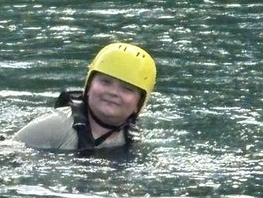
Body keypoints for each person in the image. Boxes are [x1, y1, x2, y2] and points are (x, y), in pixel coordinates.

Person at [11, 42, 156, 154]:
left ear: (139, 104)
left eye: (127, 89)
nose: (113, 92)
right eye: (105, 82)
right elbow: (4, 151)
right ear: (88, 87)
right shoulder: (55, 125)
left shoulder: (135, 136)